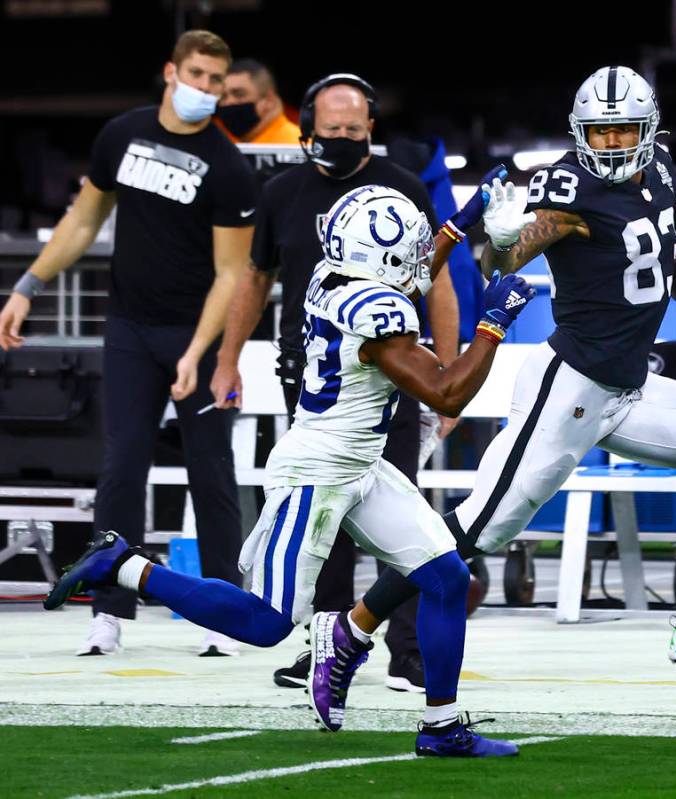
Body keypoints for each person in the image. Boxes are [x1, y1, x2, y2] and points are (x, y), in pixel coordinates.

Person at [334, 67, 676, 715]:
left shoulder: (658, 170)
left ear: (647, 129)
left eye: (621, 130)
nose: (609, 144)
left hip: (629, 385)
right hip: (568, 388)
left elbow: (660, 243)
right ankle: (350, 629)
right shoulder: (566, 186)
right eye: (597, 133)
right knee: (474, 529)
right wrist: (499, 233)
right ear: (579, 134)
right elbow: (505, 261)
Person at [43, 183, 533, 757]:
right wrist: (494, 323)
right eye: (417, 248)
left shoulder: (334, 275)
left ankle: (443, 728)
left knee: (446, 577)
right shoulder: (379, 313)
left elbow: (409, 276)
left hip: (360, 463)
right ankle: (123, 566)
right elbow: (447, 393)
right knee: (268, 623)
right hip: (317, 472)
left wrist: (458, 224)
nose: (424, 257)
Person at [0, 30, 258, 657]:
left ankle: (221, 611)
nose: (206, 89)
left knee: (211, 473)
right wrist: (29, 284)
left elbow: (232, 274)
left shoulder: (228, 165)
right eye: (197, 74)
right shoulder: (122, 134)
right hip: (130, 329)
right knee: (120, 467)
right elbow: (83, 221)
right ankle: (109, 610)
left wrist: (200, 353)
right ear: (170, 72)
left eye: (216, 80)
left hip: (196, 334)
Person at [208, 73, 460, 695]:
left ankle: (408, 650)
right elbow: (254, 277)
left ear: (371, 127)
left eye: (354, 129)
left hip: (389, 376)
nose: (344, 139)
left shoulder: (401, 187)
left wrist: (446, 371)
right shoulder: (283, 191)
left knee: (400, 512)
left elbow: (439, 282)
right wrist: (227, 357)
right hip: (321, 384)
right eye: (332, 130)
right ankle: (324, 643)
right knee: (332, 523)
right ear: (307, 130)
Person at [213, 58, 302, 144]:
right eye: (223, 96)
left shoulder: (297, 146)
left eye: (239, 94)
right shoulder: (220, 141)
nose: (229, 102)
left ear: (269, 100)